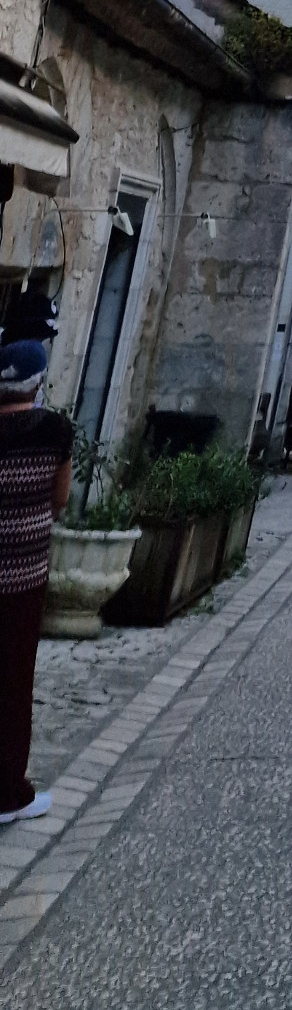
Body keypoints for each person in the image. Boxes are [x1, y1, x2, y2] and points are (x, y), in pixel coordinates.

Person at [0, 340, 72, 825]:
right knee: (12, 681)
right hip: (23, 577)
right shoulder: (54, 431)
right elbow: (61, 498)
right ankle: (8, 793)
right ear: (38, 382)